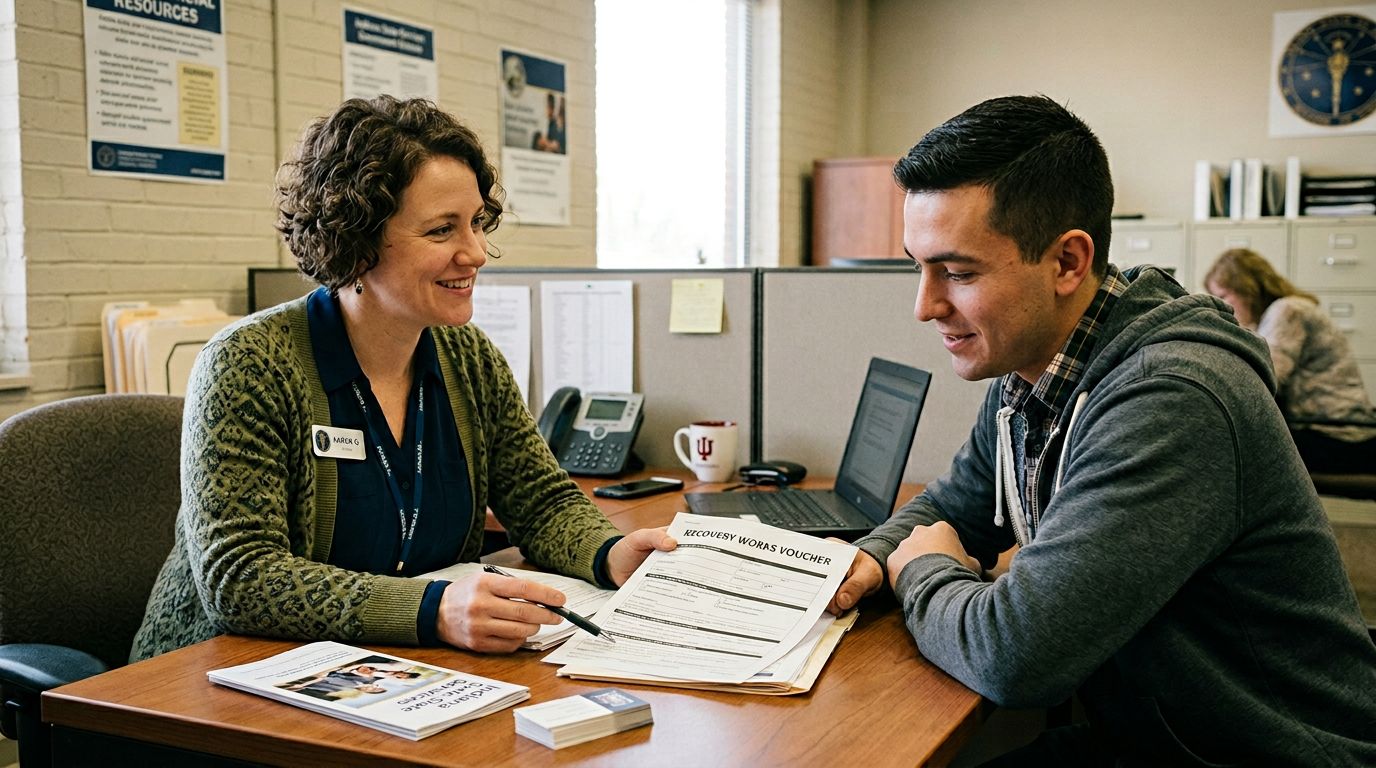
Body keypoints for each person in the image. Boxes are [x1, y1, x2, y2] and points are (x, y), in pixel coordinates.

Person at [827, 95, 1376, 765]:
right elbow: (959, 504)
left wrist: (922, 571)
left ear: (1066, 263)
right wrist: (871, 559)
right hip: (1156, 734)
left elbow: (1016, 657)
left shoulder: (1173, 398)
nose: (925, 305)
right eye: (919, 266)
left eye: (959, 272)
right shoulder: (1032, 367)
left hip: (1261, 753)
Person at [131, 96, 675, 661]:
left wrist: (610, 552)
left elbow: (541, 501)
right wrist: (432, 609)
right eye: (443, 230)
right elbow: (241, 577)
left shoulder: (467, 357)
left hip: (394, 671)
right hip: (207, 680)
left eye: (477, 224)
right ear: (357, 239)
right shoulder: (250, 364)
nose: (477, 253)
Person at [1204, 247, 1376, 474]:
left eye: (1224, 296)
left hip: (1337, 435)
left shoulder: (1286, 311)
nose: (1222, 306)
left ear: (1247, 289)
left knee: (1226, 451)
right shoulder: (1281, 311)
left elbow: (1266, 378)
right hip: (1337, 430)